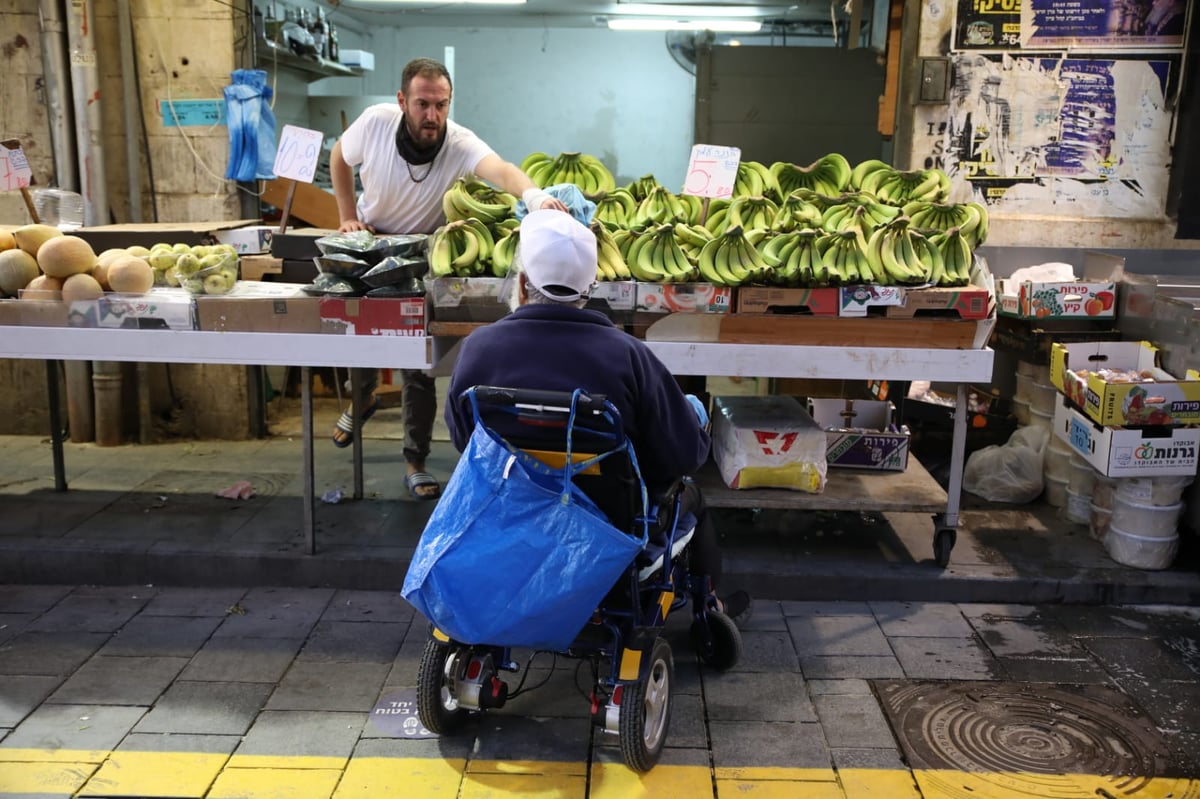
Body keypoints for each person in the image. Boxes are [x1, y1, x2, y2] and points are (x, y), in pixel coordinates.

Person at [445, 209, 751, 623]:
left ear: (521, 283)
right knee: (691, 493)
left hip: (513, 514)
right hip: (609, 524)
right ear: (590, 288)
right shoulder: (627, 355)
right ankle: (710, 607)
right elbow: (682, 456)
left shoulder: (479, 348)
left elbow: (466, 440)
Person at [329, 57, 567, 500]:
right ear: (402, 101)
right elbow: (339, 156)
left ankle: (414, 459)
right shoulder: (375, 123)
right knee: (356, 335)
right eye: (422, 104)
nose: (432, 115)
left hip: (423, 255)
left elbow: (500, 169)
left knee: (416, 365)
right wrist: (346, 215)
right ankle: (359, 398)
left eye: (441, 105)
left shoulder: (459, 142)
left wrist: (534, 196)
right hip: (373, 241)